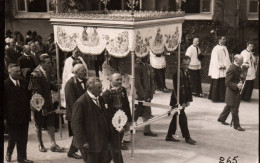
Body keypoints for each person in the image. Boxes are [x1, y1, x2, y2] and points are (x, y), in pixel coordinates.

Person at [28, 54, 65, 152]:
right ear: (41, 63)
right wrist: (43, 107)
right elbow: (37, 93)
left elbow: (47, 85)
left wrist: (55, 87)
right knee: (39, 124)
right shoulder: (35, 75)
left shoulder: (46, 72)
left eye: (50, 63)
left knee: (51, 122)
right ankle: (40, 144)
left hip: (48, 101)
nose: (50, 65)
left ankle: (53, 144)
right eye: (48, 63)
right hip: (38, 104)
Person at [71, 77, 111, 163]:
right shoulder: (81, 102)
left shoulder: (100, 99)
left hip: (102, 141)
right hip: (90, 144)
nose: (101, 90)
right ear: (90, 88)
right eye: (98, 88)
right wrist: (83, 142)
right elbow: (76, 125)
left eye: (101, 87)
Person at [4, 64, 33, 163]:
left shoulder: (24, 82)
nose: (19, 73)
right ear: (10, 72)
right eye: (16, 71)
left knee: (23, 138)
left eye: (19, 71)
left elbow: (29, 96)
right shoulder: (5, 84)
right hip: (12, 116)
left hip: (24, 115)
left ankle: (22, 158)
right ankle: (9, 153)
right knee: (13, 137)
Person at [165, 56, 196, 145]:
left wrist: (189, 100)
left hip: (183, 100)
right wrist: (181, 102)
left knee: (176, 118)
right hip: (177, 100)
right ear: (180, 64)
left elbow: (189, 87)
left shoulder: (187, 72)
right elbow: (176, 90)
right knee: (183, 118)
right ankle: (187, 137)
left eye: (188, 64)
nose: (186, 66)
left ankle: (169, 135)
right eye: (184, 64)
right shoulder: (177, 74)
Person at [102, 73, 132, 163]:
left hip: (122, 120)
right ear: (110, 81)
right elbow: (106, 111)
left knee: (116, 145)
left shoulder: (122, 90)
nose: (120, 82)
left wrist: (128, 120)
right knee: (115, 147)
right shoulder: (106, 93)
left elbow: (126, 105)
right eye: (117, 80)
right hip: (112, 123)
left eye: (120, 79)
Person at [65, 64, 87, 160]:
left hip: (84, 111)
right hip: (75, 113)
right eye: (82, 71)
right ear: (76, 72)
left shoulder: (86, 81)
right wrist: (79, 114)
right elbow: (71, 101)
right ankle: (81, 154)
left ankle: (71, 151)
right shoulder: (70, 84)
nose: (84, 72)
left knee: (79, 133)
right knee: (78, 133)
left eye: (85, 70)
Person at [217, 55, 246, 131]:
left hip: (235, 91)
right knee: (234, 108)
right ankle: (236, 125)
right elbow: (227, 82)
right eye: (241, 60)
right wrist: (236, 85)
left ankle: (221, 119)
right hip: (232, 92)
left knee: (229, 106)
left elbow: (239, 77)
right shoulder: (232, 68)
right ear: (236, 60)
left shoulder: (238, 67)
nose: (242, 61)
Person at [134, 56, 157, 137]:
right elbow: (137, 83)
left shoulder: (148, 66)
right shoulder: (137, 67)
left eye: (147, 55)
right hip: (139, 94)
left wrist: (151, 93)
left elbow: (152, 80)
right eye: (144, 56)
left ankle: (147, 130)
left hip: (147, 93)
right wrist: (143, 94)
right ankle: (131, 127)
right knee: (136, 111)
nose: (147, 57)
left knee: (147, 111)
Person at [208, 35, 231, 102]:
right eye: (223, 39)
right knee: (217, 82)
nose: (225, 40)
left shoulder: (225, 47)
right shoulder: (216, 48)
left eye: (225, 39)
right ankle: (215, 98)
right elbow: (214, 59)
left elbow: (227, 58)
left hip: (224, 67)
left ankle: (222, 98)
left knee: (222, 83)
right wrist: (220, 66)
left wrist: (227, 65)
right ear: (219, 40)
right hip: (218, 68)